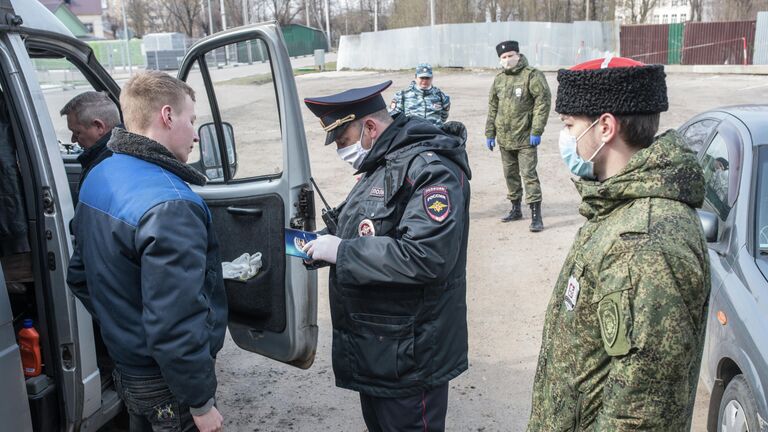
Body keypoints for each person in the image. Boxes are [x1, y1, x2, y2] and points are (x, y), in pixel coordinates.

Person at [526, 57, 710, 431]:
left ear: (605, 127)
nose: (566, 138)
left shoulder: (645, 240)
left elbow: (641, 413)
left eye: (569, 125)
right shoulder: (619, 207)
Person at [303, 81, 470, 432]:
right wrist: (325, 245)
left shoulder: (431, 169)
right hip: (382, 350)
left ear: (370, 127)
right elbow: (370, 227)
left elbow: (426, 254)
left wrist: (343, 252)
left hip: (411, 356)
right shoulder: (384, 163)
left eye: (343, 141)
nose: (341, 151)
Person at [66, 71, 226, 432]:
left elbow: (80, 275)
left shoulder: (100, 174)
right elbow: (176, 321)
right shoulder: (171, 203)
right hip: (166, 384)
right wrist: (200, 403)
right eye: (192, 120)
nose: (196, 134)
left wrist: (125, 327)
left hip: (128, 369)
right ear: (167, 116)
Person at [485, 40, 551, 231]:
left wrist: (537, 130)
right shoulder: (499, 79)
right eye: (503, 58)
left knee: (529, 175)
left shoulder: (532, 75)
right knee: (510, 175)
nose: (507, 60)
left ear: (518, 55)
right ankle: (515, 209)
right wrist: (490, 132)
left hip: (525, 138)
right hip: (504, 139)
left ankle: (536, 216)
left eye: (510, 56)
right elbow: (493, 107)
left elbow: (542, 103)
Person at [59, 91, 120, 191]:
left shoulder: (104, 172)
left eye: (77, 133)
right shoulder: (122, 154)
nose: (73, 139)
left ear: (99, 127)